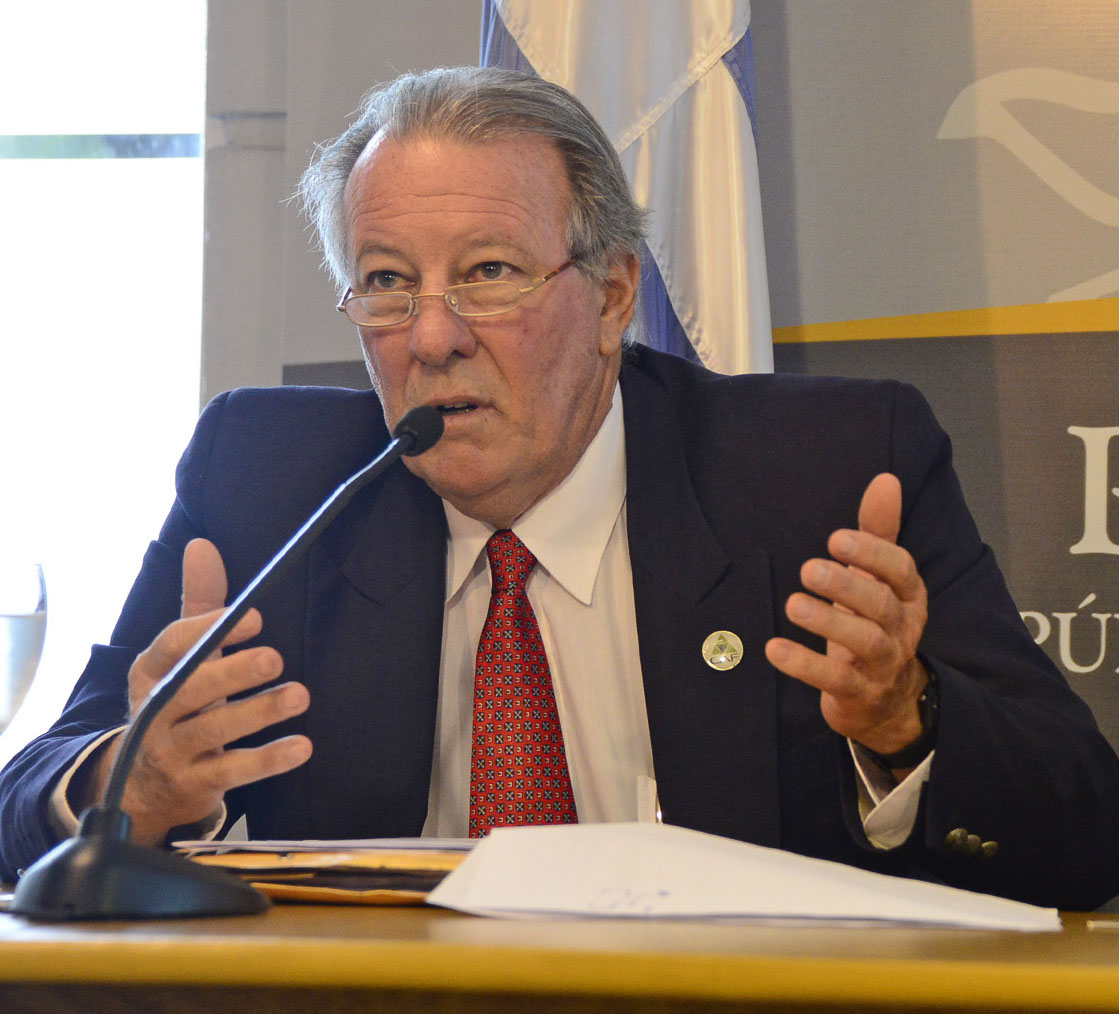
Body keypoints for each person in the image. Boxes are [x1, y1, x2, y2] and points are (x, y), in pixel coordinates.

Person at [2, 66, 1117, 909]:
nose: (430, 338)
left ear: (613, 295)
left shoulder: (820, 471)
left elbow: (1088, 834)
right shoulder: (269, 482)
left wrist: (905, 723)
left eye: (487, 273)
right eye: (386, 283)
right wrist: (126, 784)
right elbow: (27, 798)